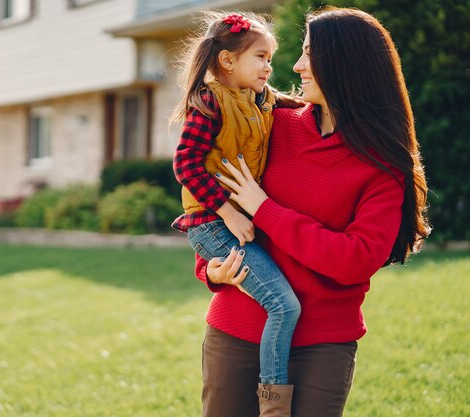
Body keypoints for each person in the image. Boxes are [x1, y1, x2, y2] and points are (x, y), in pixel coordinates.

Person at [193, 7, 430, 417]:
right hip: (237, 330)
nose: (297, 65)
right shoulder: (273, 124)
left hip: (322, 344)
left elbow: (354, 260)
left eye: (309, 54)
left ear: (344, 66)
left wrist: (265, 209)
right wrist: (209, 270)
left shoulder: (383, 164)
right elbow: (217, 202)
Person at [171, 12, 302, 416]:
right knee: (284, 306)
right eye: (260, 57)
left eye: (271, 60)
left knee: (280, 305)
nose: (268, 67)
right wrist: (228, 212)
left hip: (232, 221)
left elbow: (297, 105)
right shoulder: (210, 102)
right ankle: (274, 405)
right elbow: (186, 165)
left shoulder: (260, 99)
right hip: (212, 224)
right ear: (228, 61)